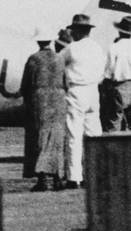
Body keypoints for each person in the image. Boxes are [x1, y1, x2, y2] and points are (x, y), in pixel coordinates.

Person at [62, 13, 106, 190]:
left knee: (74, 135)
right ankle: (96, 174)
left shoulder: (71, 48)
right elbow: (103, 71)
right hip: (93, 91)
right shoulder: (97, 48)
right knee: (94, 135)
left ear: (77, 31)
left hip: (76, 91)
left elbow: (59, 65)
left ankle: (74, 178)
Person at [21, 26, 66, 191]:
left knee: (39, 140)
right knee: (56, 140)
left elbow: (25, 85)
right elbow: (65, 82)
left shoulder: (33, 59)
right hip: (58, 101)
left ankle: (42, 181)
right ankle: (58, 179)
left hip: (39, 102)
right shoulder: (59, 59)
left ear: (38, 41)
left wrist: (29, 100)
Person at [102, 15, 131, 132]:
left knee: (113, 123)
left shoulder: (114, 47)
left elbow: (108, 74)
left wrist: (104, 93)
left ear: (119, 31)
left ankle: (111, 149)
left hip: (120, 88)